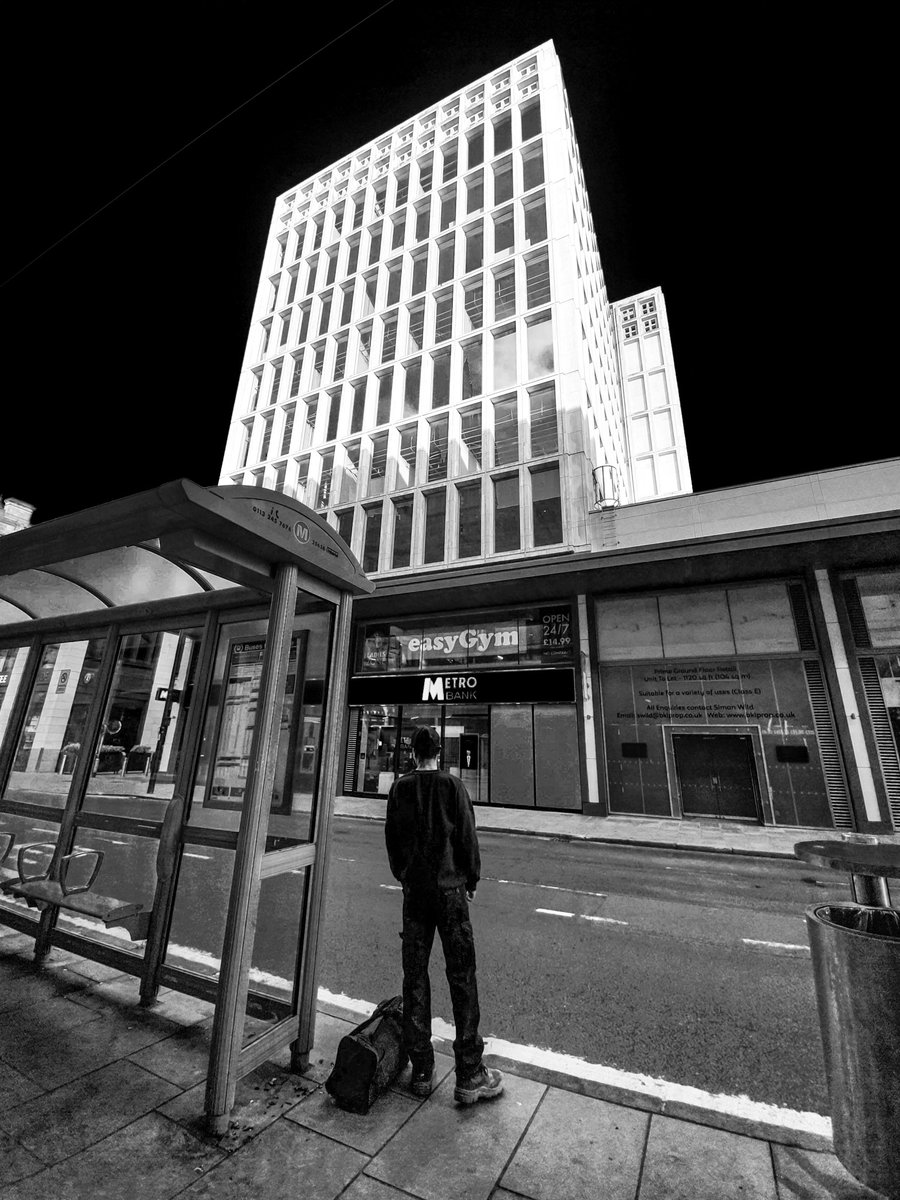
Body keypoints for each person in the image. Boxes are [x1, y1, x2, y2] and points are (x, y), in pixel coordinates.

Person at [385, 725, 503, 1105]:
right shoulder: (453, 788)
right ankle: (469, 1073)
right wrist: (472, 878)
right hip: (450, 892)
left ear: (414, 753)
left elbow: (392, 842)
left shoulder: (399, 789)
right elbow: (467, 837)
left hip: (415, 895)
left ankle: (421, 1069)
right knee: (462, 977)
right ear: (439, 752)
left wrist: (403, 875)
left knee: (415, 976)